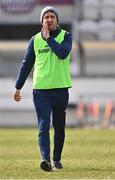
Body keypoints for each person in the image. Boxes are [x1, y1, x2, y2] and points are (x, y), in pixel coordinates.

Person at [13, 6, 72, 172]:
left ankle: (56, 159)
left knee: (59, 127)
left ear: (57, 20)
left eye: (52, 16)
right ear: (42, 21)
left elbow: (63, 53)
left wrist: (49, 40)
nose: (49, 19)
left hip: (61, 90)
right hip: (41, 91)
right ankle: (45, 160)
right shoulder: (35, 40)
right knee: (43, 125)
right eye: (46, 17)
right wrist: (18, 87)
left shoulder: (66, 36)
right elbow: (26, 65)